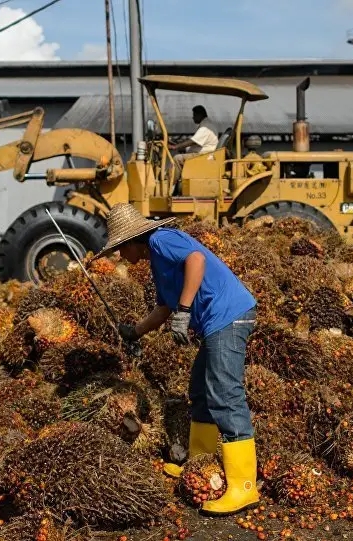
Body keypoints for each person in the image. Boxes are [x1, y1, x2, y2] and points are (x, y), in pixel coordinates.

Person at [92, 203, 260, 516]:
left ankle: (244, 485)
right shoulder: (158, 263)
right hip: (216, 323)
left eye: (120, 249)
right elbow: (163, 308)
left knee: (225, 393)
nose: (120, 256)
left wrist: (184, 311)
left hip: (229, 315)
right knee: (200, 390)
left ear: (133, 241)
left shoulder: (161, 239)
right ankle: (201, 464)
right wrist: (135, 332)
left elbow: (197, 260)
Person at [170, 105, 219, 177]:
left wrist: (175, 147)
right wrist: (181, 146)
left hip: (204, 156)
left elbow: (193, 141)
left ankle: (171, 182)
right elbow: (196, 142)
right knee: (182, 152)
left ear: (200, 115)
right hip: (204, 154)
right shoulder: (206, 125)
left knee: (177, 159)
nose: (193, 117)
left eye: (194, 115)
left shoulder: (206, 127)